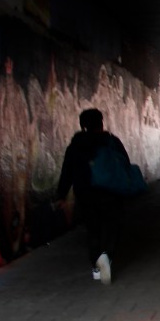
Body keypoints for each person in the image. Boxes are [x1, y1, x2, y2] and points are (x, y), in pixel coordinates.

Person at [55, 108, 129, 284]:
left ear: (82, 126)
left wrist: (61, 195)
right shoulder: (111, 142)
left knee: (92, 228)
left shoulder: (75, 146)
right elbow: (125, 163)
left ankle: (97, 265)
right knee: (110, 227)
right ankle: (107, 256)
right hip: (110, 192)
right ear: (101, 122)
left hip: (85, 194)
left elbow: (67, 171)